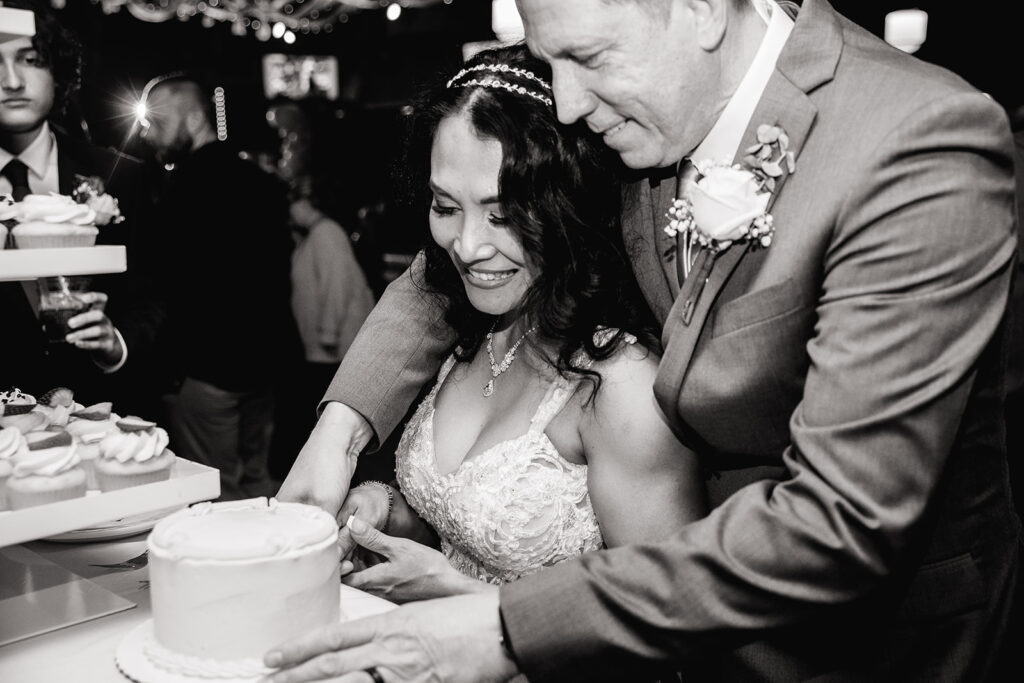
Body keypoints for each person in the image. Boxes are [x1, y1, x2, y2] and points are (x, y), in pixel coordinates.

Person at [272, 1, 1020, 681]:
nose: (566, 102)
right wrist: (340, 430)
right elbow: (458, 264)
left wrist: (510, 624)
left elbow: (842, 522)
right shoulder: (643, 103)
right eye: (549, 62)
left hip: (866, 647)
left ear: (699, 11)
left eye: (587, 59)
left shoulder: (915, 141)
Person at [324, 45, 705, 607]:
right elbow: (463, 532)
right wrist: (391, 517)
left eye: (502, 215)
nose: (468, 246)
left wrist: (464, 598)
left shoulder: (618, 386)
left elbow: (670, 618)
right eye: (445, 206)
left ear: (566, 203)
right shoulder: (476, 328)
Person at [139, 75, 301, 500]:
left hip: (206, 367)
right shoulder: (261, 181)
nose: (147, 130)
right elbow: (278, 276)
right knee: (257, 482)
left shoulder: (180, 189)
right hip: (262, 364)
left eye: (157, 119)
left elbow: (172, 285)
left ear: (194, 118)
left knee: (214, 492)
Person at [0, 0, 160, 414]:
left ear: (58, 70)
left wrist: (116, 343)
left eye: (31, 59)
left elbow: (157, 294)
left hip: (101, 407)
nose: (11, 80)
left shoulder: (121, 174)